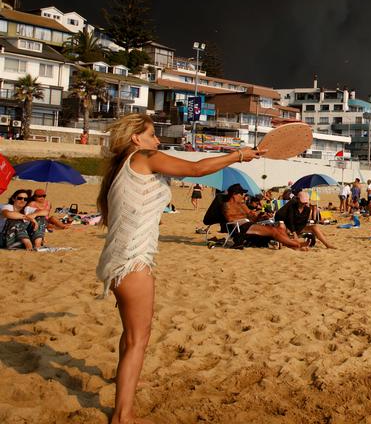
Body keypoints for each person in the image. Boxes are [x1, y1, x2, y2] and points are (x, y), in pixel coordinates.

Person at [94, 113, 265, 424]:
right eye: (151, 134)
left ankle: (128, 383)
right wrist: (239, 155)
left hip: (119, 259)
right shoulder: (144, 157)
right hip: (133, 261)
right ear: (137, 139)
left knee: (131, 334)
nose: (157, 141)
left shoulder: (121, 167)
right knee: (138, 338)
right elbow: (197, 169)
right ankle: (123, 414)